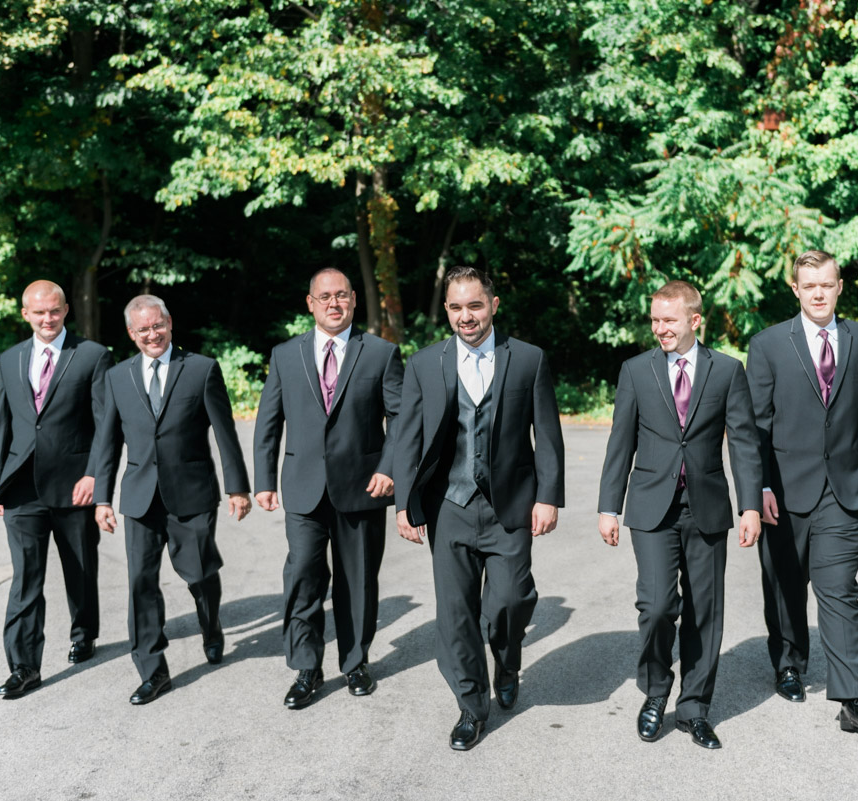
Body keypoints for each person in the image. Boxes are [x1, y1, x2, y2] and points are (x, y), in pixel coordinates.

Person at [393, 266, 565, 751]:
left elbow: (547, 437)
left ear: (493, 305)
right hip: (447, 505)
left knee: (509, 601)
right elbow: (406, 439)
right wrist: (405, 505)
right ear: (446, 310)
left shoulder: (528, 359)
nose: (465, 316)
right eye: (455, 307)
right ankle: (471, 708)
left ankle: (507, 661)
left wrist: (548, 496)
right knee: (455, 615)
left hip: (509, 505)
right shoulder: (425, 363)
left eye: (474, 305)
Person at [596, 281, 761, 749]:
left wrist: (749, 505)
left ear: (694, 320)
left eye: (668, 320)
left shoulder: (727, 370)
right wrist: (610, 506)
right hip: (651, 507)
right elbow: (619, 442)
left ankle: (694, 708)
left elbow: (745, 443)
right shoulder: (636, 370)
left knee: (706, 612)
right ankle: (654, 691)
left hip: (707, 507)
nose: (659, 328)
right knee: (656, 606)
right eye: (654, 320)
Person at [746, 249, 858, 732]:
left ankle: (855, 699)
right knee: (786, 585)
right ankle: (788, 662)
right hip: (784, 492)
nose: (818, 293)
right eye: (809, 286)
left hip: (847, 491)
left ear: (839, 286)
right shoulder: (768, 345)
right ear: (795, 289)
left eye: (826, 285)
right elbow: (756, 428)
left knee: (839, 591)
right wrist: (759, 486)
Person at [253, 268, 403, 709]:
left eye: (341, 296)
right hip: (302, 488)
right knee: (302, 576)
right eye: (325, 296)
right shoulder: (285, 354)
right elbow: (268, 421)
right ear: (310, 302)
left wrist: (389, 467)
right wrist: (263, 480)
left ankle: (355, 662)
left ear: (354, 300)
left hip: (363, 487)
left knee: (357, 580)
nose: (333, 303)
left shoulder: (380, 353)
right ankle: (306, 667)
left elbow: (402, 419)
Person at [90, 294, 252, 705]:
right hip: (140, 498)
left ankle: (211, 626)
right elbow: (106, 442)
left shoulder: (200, 369)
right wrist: (102, 498)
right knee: (140, 583)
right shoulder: (118, 377)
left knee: (198, 573)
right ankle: (152, 668)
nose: (152, 335)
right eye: (142, 330)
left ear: (170, 323)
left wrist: (237, 487)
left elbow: (225, 432)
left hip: (192, 495)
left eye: (157, 326)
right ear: (131, 334)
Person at [0, 279, 113, 699]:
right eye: (39, 312)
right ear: (25, 313)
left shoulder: (92, 356)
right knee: (26, 579)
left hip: (74, 486)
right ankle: (24, 667)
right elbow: (1, 424)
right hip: (20, 488)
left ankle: (84, 632)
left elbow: (104, 425)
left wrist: (95, 476)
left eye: (54, 310)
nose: (48, 318)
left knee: (80, 570)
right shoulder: (8, 359)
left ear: (65, 310)